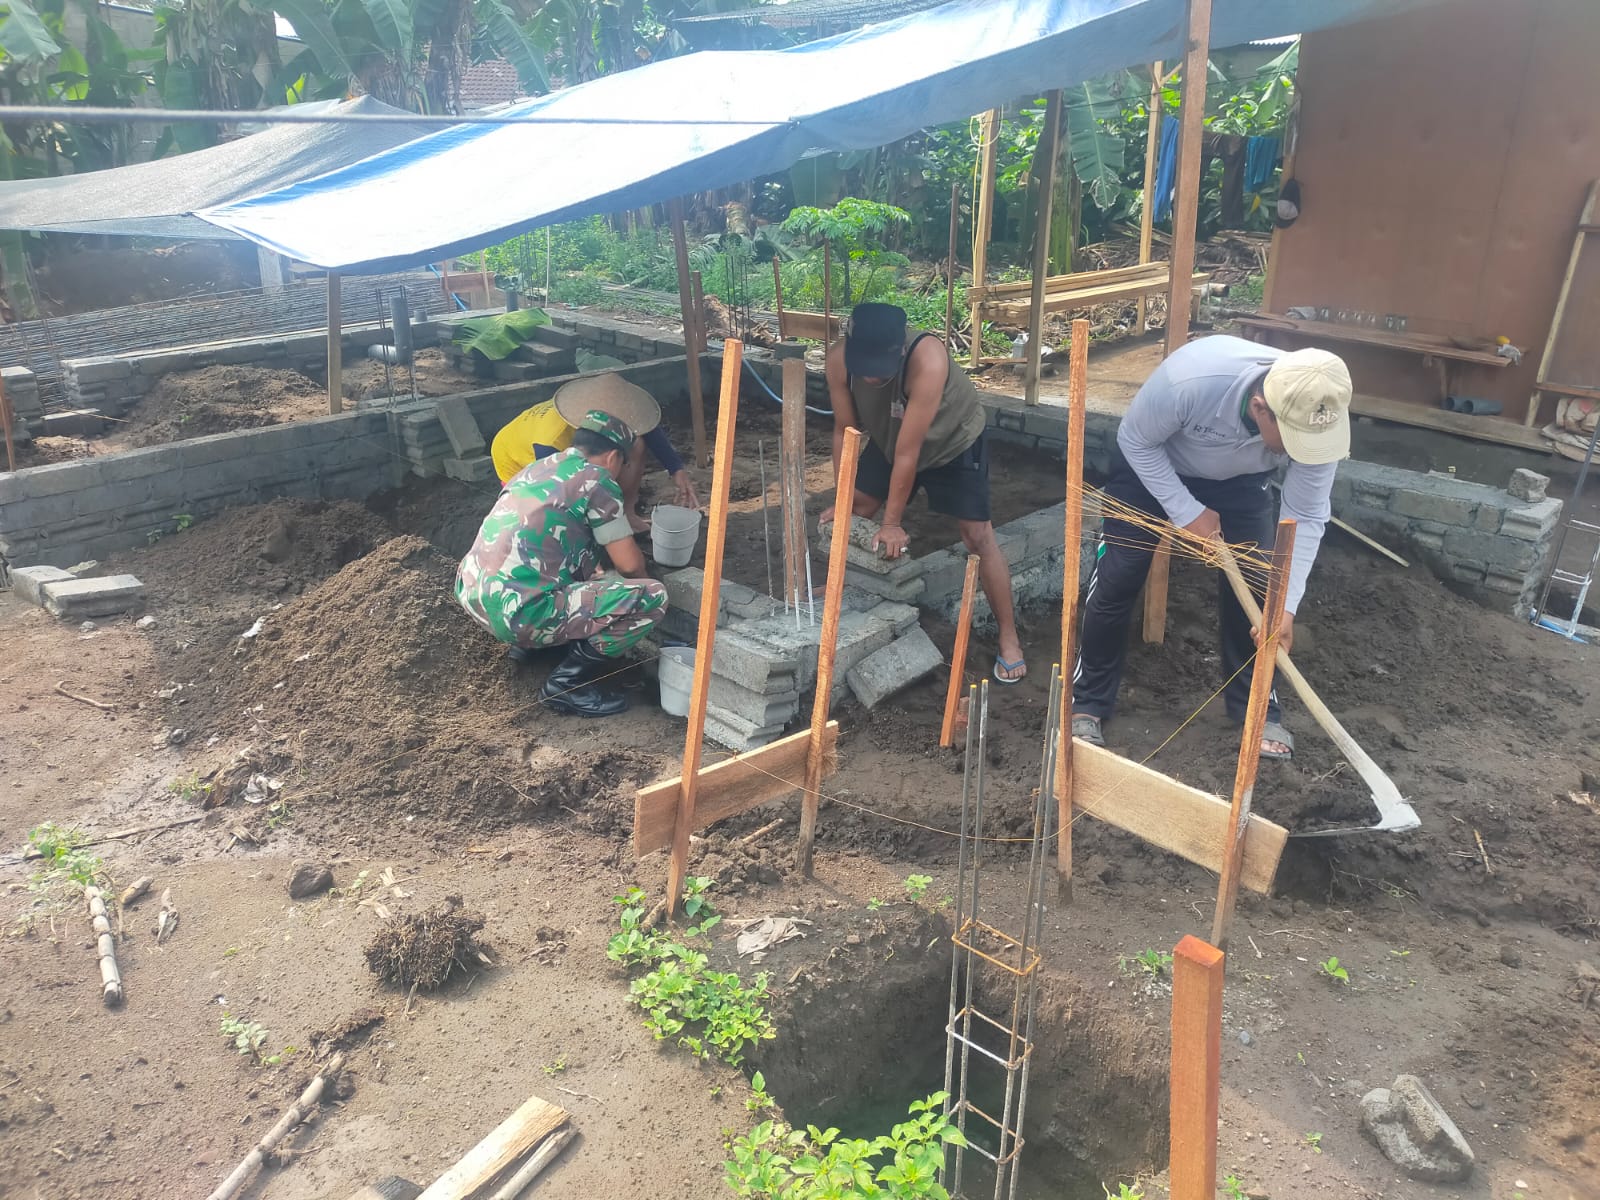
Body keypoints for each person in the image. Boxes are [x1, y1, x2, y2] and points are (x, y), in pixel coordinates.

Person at [1071, 336, 1352, 760]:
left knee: (1259, 591)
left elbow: (1307, 516)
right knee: (1120, 574)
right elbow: (1135, 440)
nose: (1302, 452)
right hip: (1152, 463)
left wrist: (1286, 606)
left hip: (1240, 482)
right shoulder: (1192, 380)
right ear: (1260, 408)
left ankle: (1258, 710)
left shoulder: (1317, 417)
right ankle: (1088, 702)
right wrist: (1187, 511)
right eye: (1291, 437)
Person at [823, 302, 1028, 683]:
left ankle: (1009, 637)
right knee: (855, 509)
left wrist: (893, 523)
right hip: (890, 438)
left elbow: (909, 453)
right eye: (862, 366)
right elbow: (844, 433)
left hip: (952, 442)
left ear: (899, 351)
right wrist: (842, 501)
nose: (869, 378)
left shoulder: (928, 359)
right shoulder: (839, 361)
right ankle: (842, 584)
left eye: (877, 369)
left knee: (977, 535)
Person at [456, 387, 668, 718]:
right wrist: (636, 593)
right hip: (520, 614)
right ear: (614, 458)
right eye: (623, 464)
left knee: (579, 561)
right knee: (652, 596)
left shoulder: (538, 468)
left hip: (477, 597)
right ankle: (566, 685)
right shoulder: (597, 480)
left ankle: (529, 648)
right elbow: (628, 565)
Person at [490, 375, 699, 532]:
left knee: (637, 444)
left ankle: (627, 512)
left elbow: (645, 427)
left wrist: (676, 469)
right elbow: (554, 491)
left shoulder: (599, 411)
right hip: (517, 459)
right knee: (569, 494)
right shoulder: (552, 440)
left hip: (569, 447)